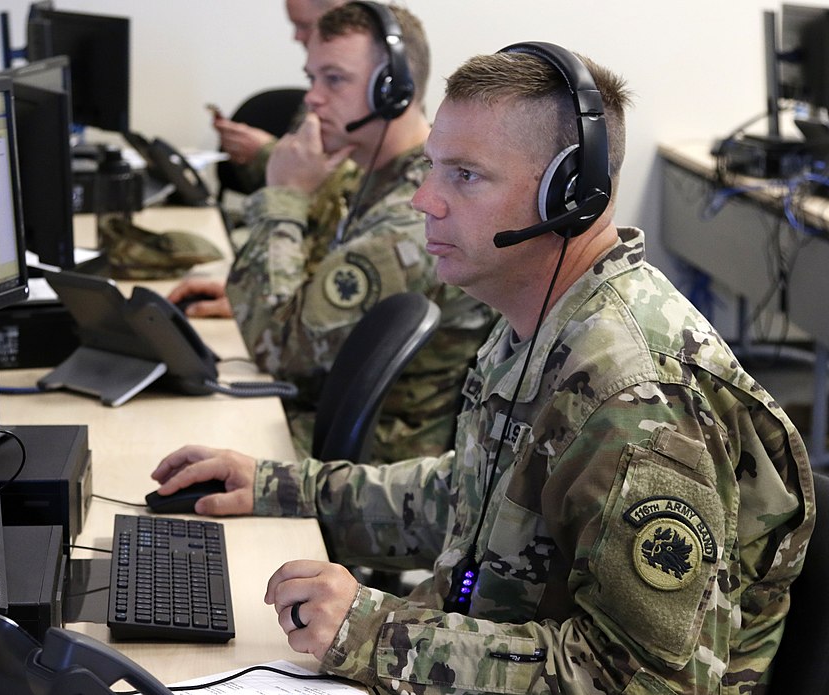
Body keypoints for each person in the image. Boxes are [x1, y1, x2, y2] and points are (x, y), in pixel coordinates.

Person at [153, 42, 816, 693]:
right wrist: (278, 486)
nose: (425, 201)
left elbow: (645, 680)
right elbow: (471, 496)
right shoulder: (540, 316)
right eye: (433, 167)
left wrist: (374, 632)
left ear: (570, 194)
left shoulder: (638, 401)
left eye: (464, 175)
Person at [174, 2, 495, 462]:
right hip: (320, 410)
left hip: (373, 465)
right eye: (312, 78)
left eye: (335, 79)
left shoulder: (413, 217)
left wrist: (284, 196)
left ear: (393, 91)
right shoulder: (365, 176)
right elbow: (304, 298)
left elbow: (277, 349)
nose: (312, 98)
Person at [213, 0, 348, 192]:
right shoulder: (319, 93)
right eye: (311, 78)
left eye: (304, 25)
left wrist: (265, 152)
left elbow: (341, 192)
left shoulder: (364, 96)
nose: (296, 37)